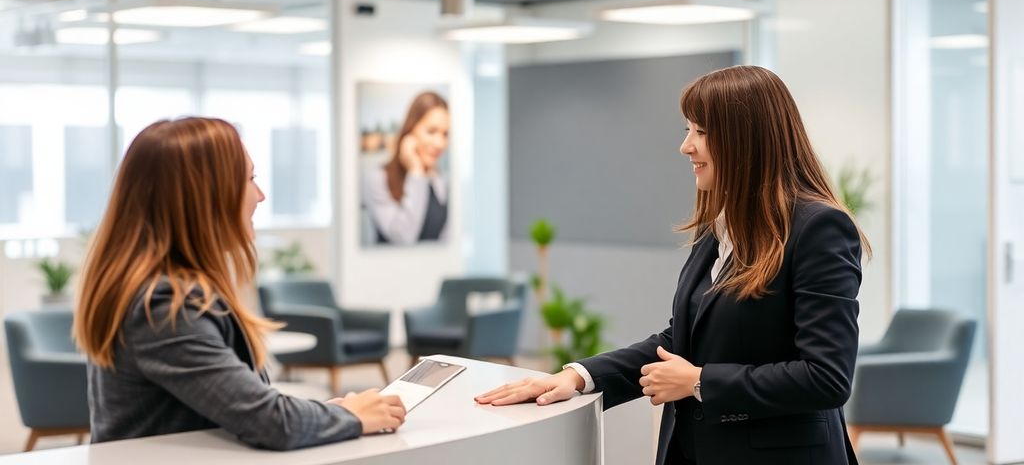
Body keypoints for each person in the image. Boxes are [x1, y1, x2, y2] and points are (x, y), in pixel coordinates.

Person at [475, 66, 869, 465]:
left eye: (701, 132)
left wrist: (699, 382)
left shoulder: (819, 228)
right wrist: (577, 376)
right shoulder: (721, 225)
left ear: (746, 139)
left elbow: (826, 377)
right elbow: (681, 340)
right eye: (688, 130)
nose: (686, 147)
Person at [74, 117, 406, 450]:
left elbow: (238, 405)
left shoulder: (163, 290)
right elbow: (270, 422)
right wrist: (352, 417)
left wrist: (330, 413)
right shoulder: (163, 305)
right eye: (249, 179)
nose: (260, 196)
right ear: (205, 198)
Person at [363, 91, 450, 245]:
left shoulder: (439, 180)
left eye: (445, 134)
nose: (440, 143)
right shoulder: (377, 178)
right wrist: (415, 171)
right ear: (410, 130)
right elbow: (403, 238)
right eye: (431, 131)